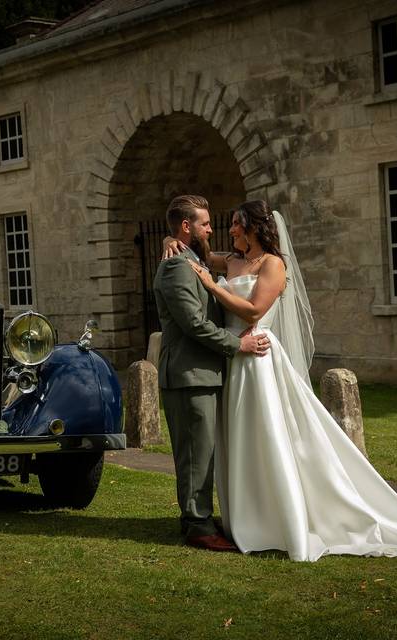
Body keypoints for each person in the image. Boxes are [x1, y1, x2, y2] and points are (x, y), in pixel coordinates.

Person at [165, 200, 397, 561]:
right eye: (224, 225)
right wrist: (169, 239)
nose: (230, 230)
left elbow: (255, 310)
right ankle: (247, 514)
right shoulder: (233, 261)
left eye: (237, 224)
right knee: (239, 439)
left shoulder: (274, 265)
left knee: (271, 434)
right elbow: (196, 253)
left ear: (254, 227)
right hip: (234, 361)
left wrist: (213, 287)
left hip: (257, 355)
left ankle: (286, 513)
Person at [152, 195, 270, 552]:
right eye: (204, 223)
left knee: (203, 451)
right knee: (194, 455)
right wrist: (239, 346)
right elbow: (193, 324)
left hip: (204, 373)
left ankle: (199, 515)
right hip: (188, 374)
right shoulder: (176, 267)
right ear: (186, 226)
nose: (211, 229)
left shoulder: (194, 258)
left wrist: (167, 239)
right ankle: (197, 526)